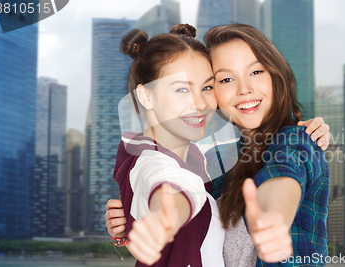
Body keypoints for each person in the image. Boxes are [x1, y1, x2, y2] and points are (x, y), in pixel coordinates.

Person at [108, 24, 330, 267]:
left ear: (276, 75)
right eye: (225, 79)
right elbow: (185, 220)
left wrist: (274, 217)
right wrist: (133, 224)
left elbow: (283, 177)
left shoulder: (296, 141)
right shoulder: (215, 161)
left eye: (256, 72)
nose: (244, 89)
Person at [114, 24, 225, 267]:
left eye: (207, 87)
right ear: (146, 96)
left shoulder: (197, 159)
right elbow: (166, 184)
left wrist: (297, 133)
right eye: (182, 89)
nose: (200, 103)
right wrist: (164, 217)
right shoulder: (149, 161)